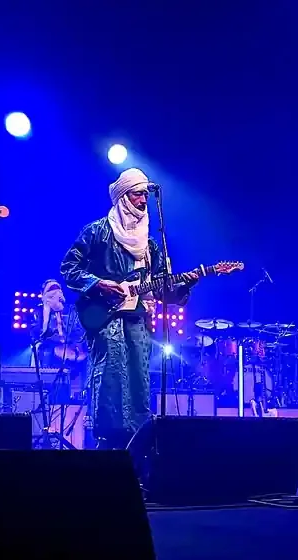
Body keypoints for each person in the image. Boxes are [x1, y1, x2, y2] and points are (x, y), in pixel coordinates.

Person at [59, 168, 198, 449]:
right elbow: (69, 268)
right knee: (110, 377)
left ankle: (137, 444)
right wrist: (98, 284)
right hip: (104, 317)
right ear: (123, 197)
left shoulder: (150, 245)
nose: (144, 200)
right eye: (137, 194)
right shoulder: (97, 232)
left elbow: (159, 289)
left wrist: (184, 285)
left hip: (137, 319)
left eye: (146, 194)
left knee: (138, 379)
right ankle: (107, 444)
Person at [28, 279, 86, 371]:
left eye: (58, 290)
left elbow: (79, 331)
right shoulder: (39, 312)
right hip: (49, 345)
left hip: (70, 344)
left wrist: (74, 343)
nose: (55, 294)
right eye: (51, 290)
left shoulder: (71, 310)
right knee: (44, 351)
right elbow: (35, 333)